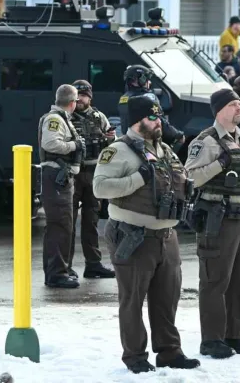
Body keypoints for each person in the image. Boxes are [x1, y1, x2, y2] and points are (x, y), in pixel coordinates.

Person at [93, 95, 200, 373]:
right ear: (137, 120)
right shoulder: (118, 151)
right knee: (132, 300)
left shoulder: (163, 149)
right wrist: (138, 179)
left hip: (166, 235)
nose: (159, 122)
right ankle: (136, 356)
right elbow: (100, 189)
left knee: (167, 299)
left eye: (160, 117)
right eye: (153, 118)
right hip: (133, 236)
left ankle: (169, 352)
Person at [184, 89, 240, 359]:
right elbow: (190, 177)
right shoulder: (206, 141)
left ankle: (233, 335)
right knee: (215, 281)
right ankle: (212, 340)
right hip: (218, 220)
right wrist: (220, 163)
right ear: (218, 110)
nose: (239, 108)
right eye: (232, 104)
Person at [39, 84, 86, 289]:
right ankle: (56, 274)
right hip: (55, 178)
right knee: (60, 226)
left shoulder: (61, 118)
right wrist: (74, 145)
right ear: (72, 102)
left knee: (62, 226)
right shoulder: (55, 119)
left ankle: (60, 269)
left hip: (61, 178)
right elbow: (50, 144)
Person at [69, 80, 116, 279]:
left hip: (94, 172)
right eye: (76, 95)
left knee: (92, 222)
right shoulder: (66, 117)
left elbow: (111, 143)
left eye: (83, 95)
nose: (79, 99)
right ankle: (65, 266)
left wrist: (111, 138)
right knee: (68, 223)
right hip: (74, 173)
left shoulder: (99, 117)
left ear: (90, 97)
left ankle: (93, 264)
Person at [118, 65, 184, 149]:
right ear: (141, 79)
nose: (149, 82)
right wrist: (177, 135)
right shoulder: (148, 98)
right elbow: (159, 121)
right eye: (147, 79)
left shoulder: (123, 98)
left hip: (128, 141)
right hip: (147, 142)